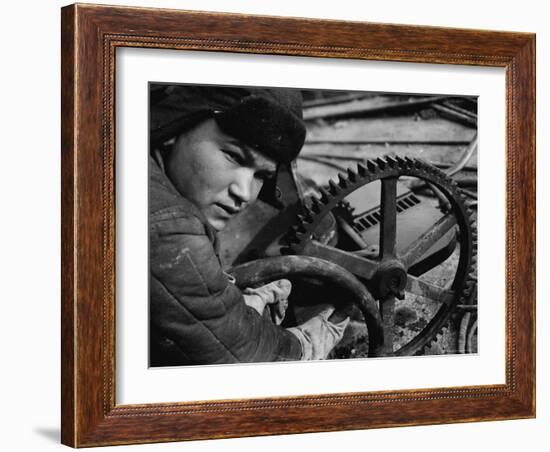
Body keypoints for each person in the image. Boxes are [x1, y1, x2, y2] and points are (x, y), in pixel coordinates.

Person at [149, 85, 348, 366]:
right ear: (176, 128)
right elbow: (238, 353)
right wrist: (303, 344)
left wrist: (225, 298)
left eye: (262, 175)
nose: (244, 192)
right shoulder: (167, 225)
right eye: (233, 156)